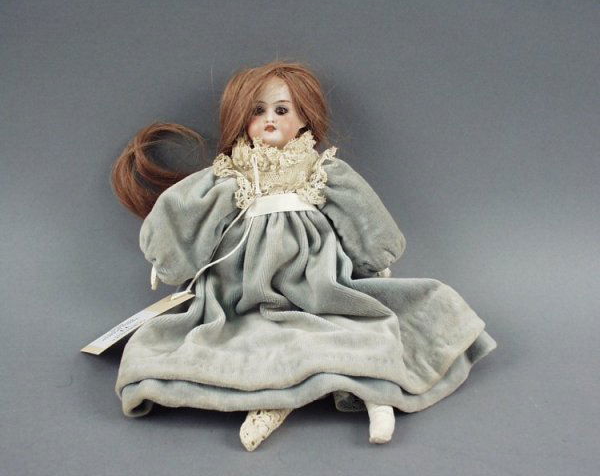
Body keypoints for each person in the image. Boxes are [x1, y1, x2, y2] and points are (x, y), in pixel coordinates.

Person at [111, 60, 497, 451]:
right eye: (257, 110)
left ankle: (379, 395)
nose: (269, 120)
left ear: (303, 119)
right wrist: (166, 258)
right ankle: (275, 401)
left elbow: (360, 211)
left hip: (315, 282)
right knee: (255, 338)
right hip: (244, 286)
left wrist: (377, 255)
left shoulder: (320, 171)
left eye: (282, 110)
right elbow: (186, 211)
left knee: (354, 327)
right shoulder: (230, 175)